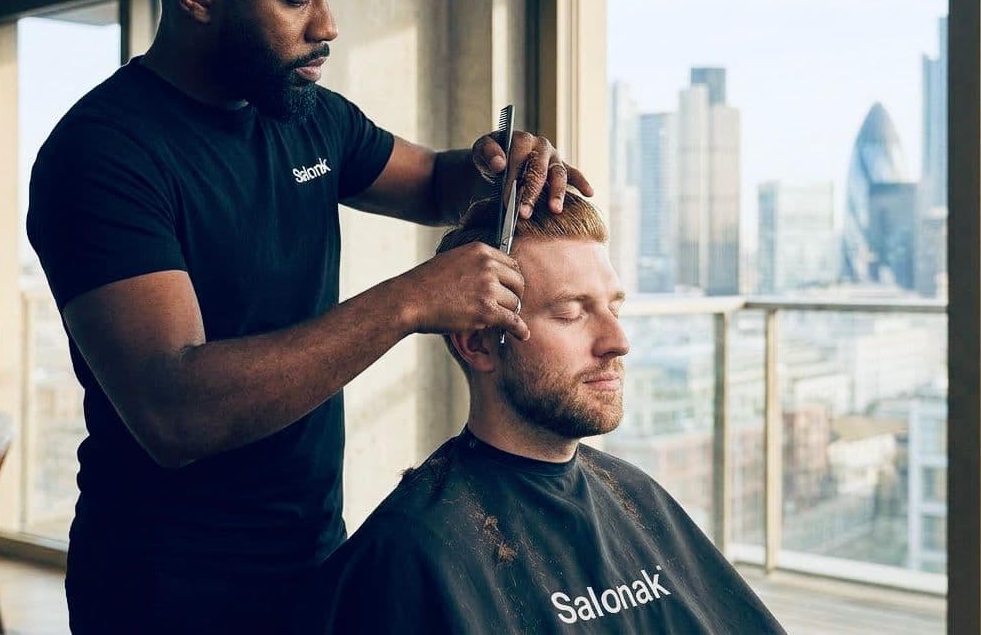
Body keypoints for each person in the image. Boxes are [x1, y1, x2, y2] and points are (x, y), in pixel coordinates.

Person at [24, 0, 589, 631]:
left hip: (311, 548)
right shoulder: (104, 155)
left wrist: (499, 161)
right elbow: (176, 411)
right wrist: (412, 300)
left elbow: (432, 184)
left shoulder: (305, 116)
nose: (326, 24)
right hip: (165, 587)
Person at [315, 193, 787, 634]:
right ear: (479, 342)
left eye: (613, 308)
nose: (618, 341)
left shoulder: (634, 493)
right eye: (570, 313)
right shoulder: (411, 550)